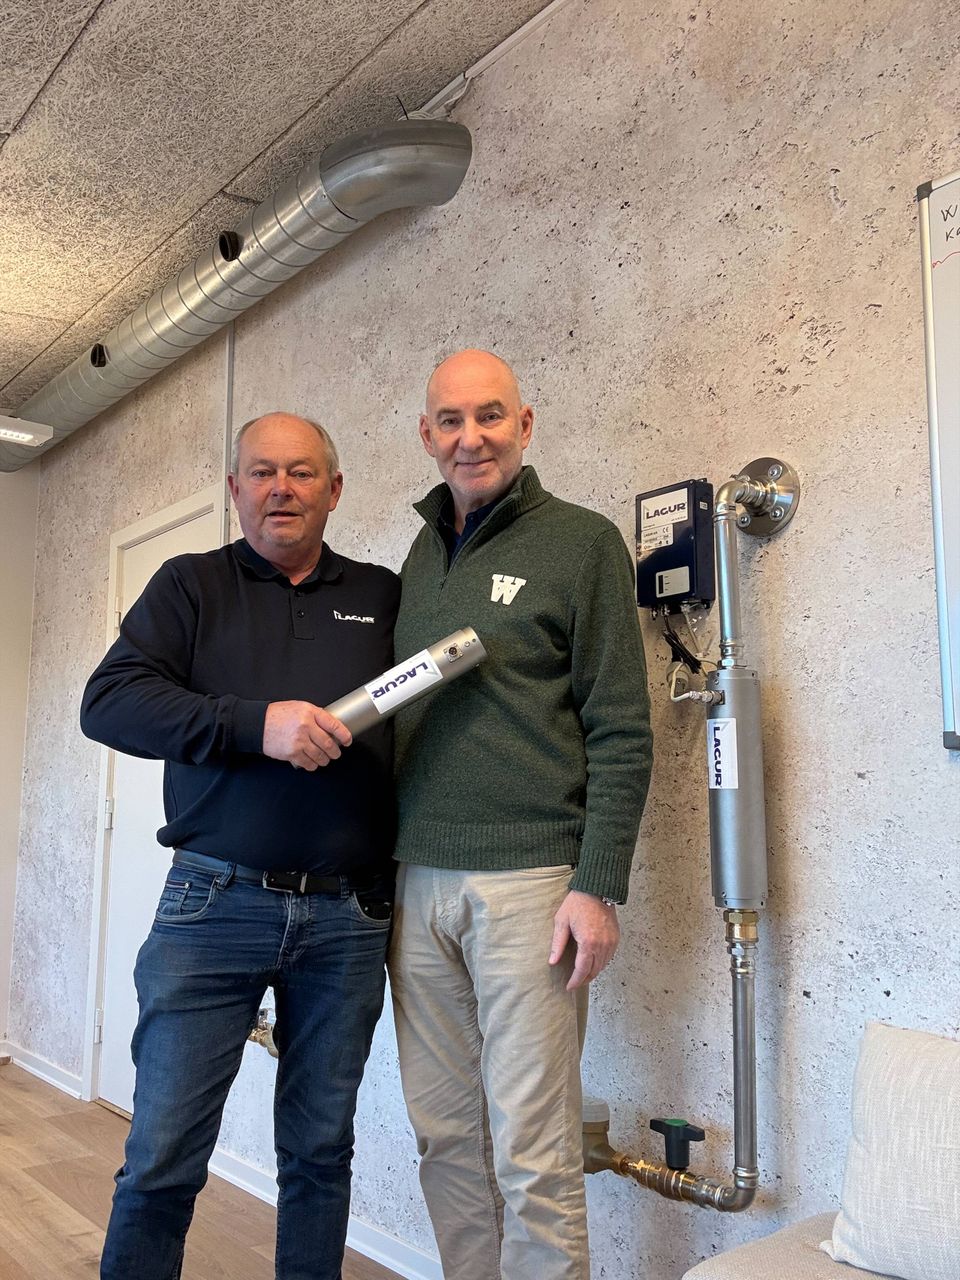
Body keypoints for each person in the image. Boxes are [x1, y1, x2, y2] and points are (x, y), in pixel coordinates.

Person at [81, 412, 400, 1280]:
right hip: (213, 905)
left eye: (301, 472)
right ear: (235, 489)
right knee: (162, 1158)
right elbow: (108, 703)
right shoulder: (190, 586)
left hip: (350, 917)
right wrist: (256, 725)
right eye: (261, 472)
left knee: (320, 1153)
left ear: (334, 489)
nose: (280, 489)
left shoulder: (382, 595)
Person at [389, 350, 653, 1280]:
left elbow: (622, 727)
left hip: (533, 885)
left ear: (526, 424)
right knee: (445, 1137)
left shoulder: (581, 543)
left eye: (491, 415)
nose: (472, 438)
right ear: (427, 435)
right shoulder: (418, 558)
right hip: (416, 880)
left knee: (534, 1155)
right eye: (451, 421)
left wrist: (597, 884)